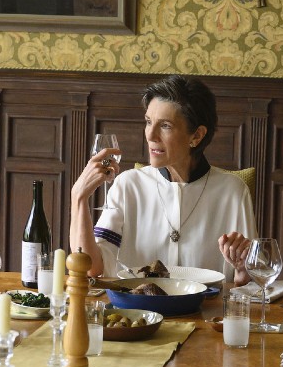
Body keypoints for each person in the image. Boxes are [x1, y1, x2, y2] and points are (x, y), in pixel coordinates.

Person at [69, 75, 256, 285]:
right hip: (136, 313)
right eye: (149, 122)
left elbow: (250, 282)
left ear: (196, 136)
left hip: (204, 315)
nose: (150, 135)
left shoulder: (232, 191)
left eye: (165, 125)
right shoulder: (128, 186)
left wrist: (242, 271)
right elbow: (91, 268)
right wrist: (78, 198)